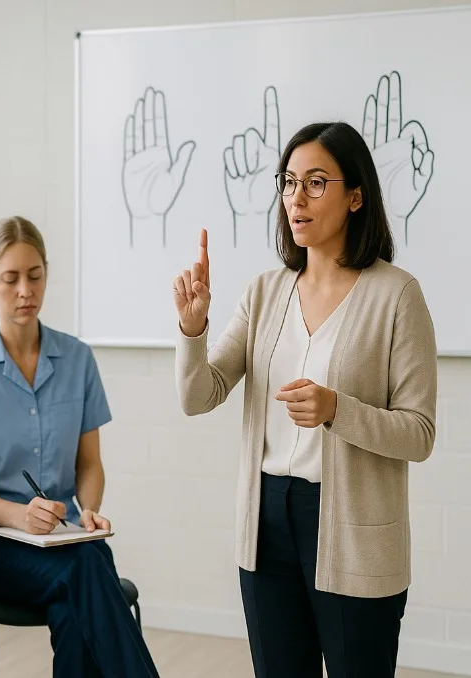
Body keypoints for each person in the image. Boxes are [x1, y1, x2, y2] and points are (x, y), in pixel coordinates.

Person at [174, 122, 437, 677]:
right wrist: (192, 330)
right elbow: (200, 396)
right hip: (267, 521)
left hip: (354, 531)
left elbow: (419, 433)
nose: (297, 198)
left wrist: (337, 410)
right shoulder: (263, 291)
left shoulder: (397, 295)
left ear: (356, 195)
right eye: (289, 182)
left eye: (317, 183)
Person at [0, 216, 161, 678]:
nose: (25, 290)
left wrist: (90, 508)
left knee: (76, 593)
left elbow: (90, 465)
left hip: (65, 542)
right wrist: (22, 517)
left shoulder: (77, 358)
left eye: (35, 276)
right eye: (11, 278)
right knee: (88, 570)